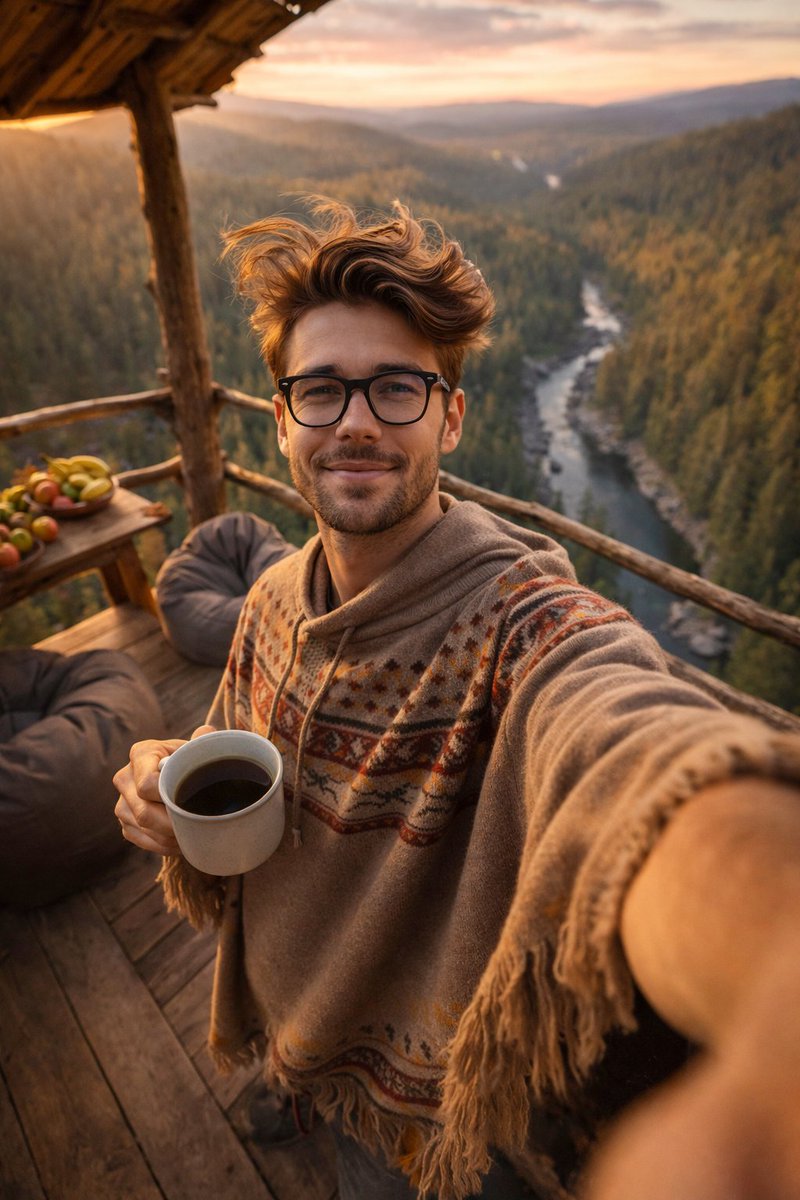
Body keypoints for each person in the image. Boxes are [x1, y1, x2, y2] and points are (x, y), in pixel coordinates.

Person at [114, 198, 800, 1200]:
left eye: (396, 388)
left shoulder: (517, 621)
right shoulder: (271, 598)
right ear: (281, 420)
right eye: (320, 391)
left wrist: (764, 949)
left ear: (450, 415)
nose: (353, 420)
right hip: (291, 1010)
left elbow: (619, 744)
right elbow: (238, 746)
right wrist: (162, 788)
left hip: (434, 1118)